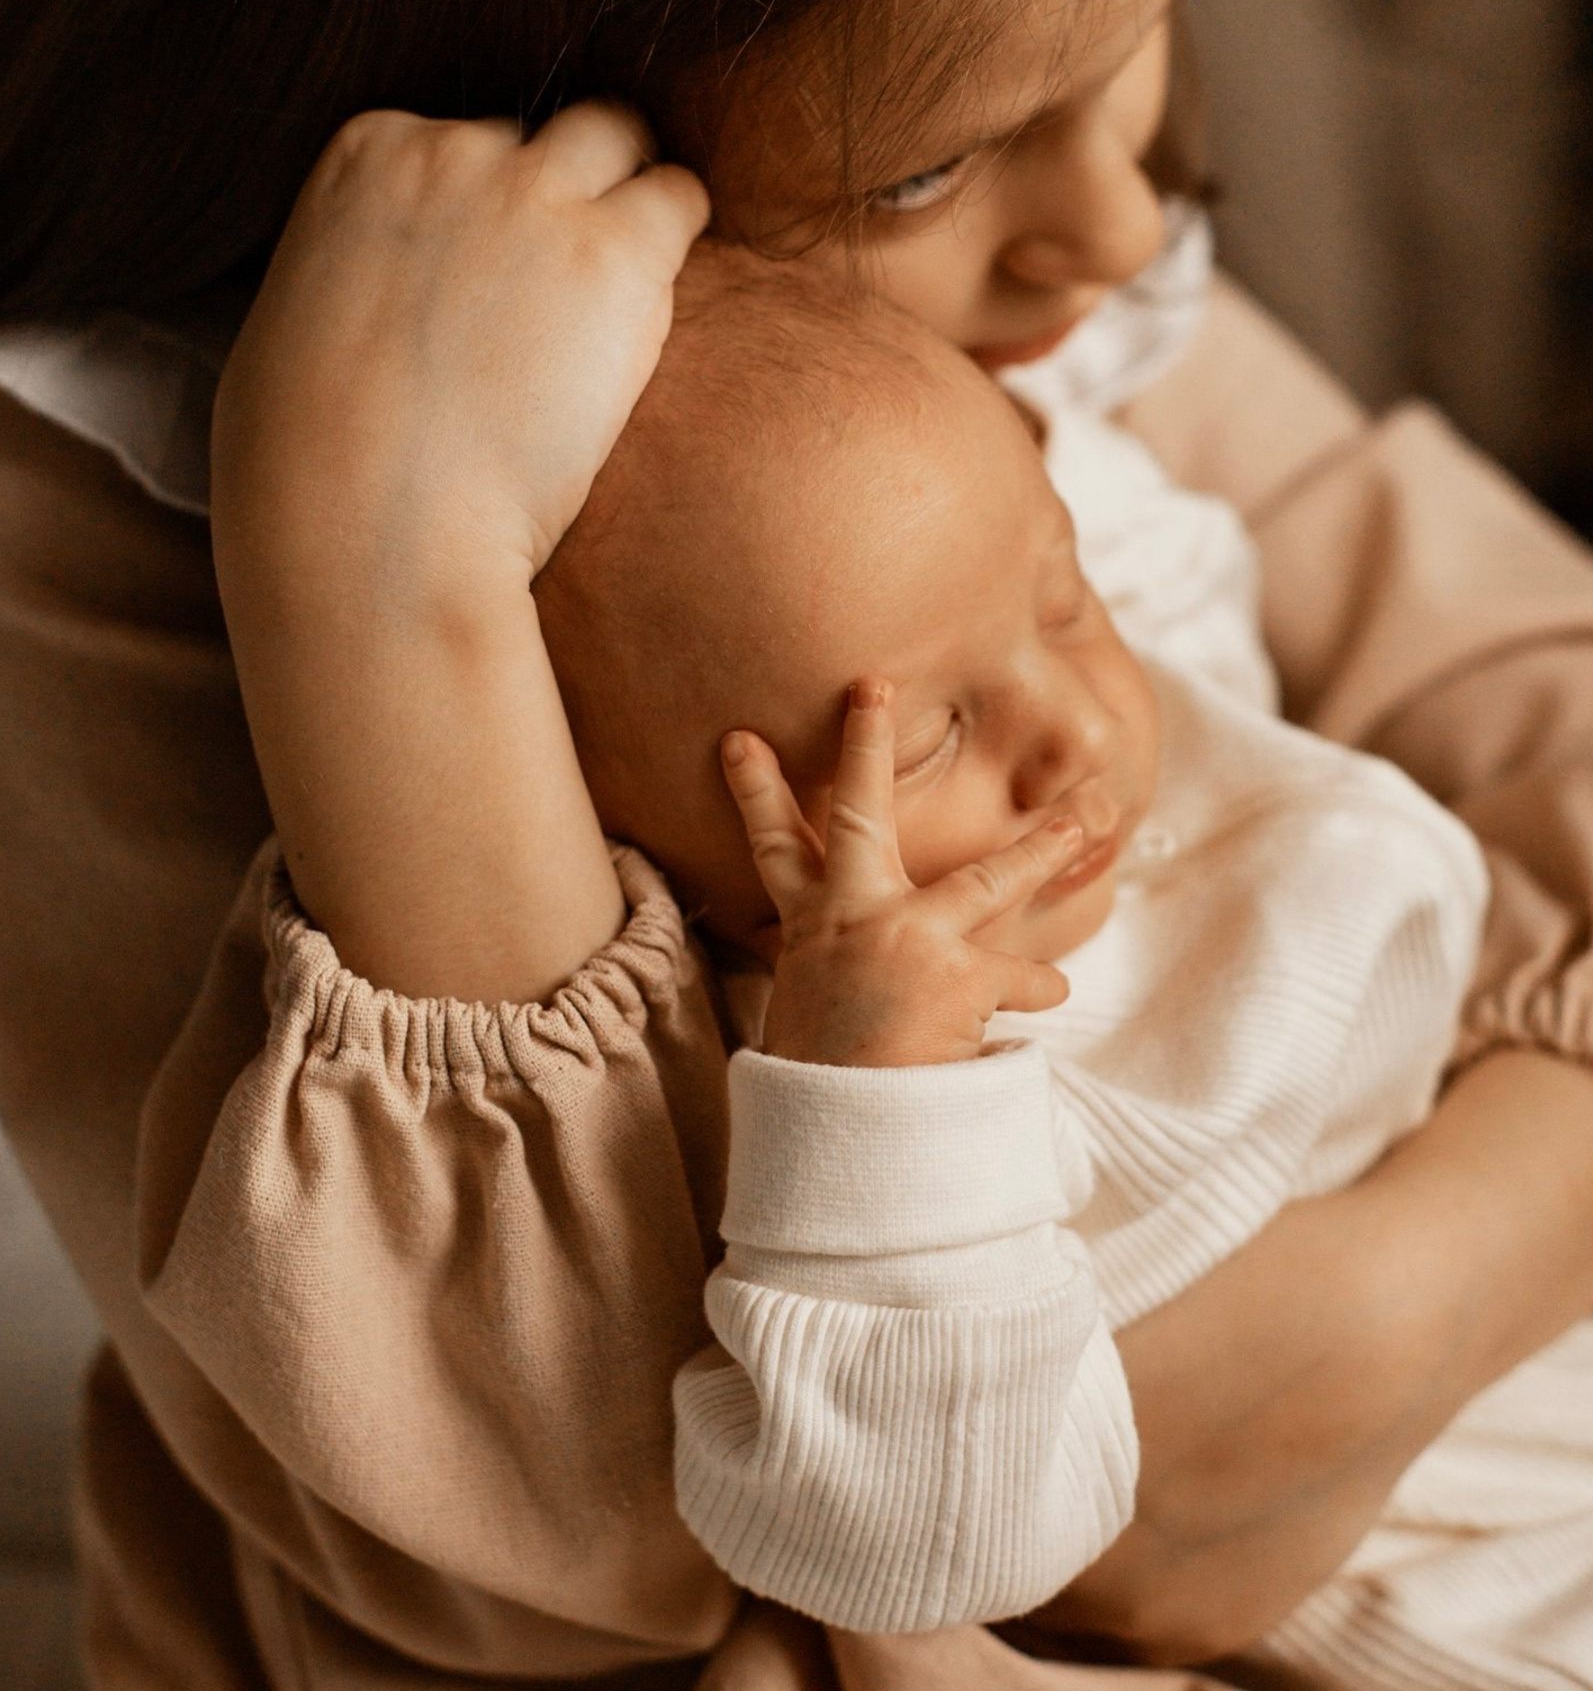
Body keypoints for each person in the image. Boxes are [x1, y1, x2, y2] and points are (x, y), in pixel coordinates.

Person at [0, 0, 1593, 1684]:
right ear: (507, 119)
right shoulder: (63, 502)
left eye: (1143, 20)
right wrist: (387, 599)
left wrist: (1402, 1301)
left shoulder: (1034, 280)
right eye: (923, 166)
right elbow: (567, 1552)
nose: (1116, 222)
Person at [527, 244, 1484, 1633]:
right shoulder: (852, 1103)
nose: (1080, 729)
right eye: (920, 745)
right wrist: (887, 1104)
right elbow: (919, 1554)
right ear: (677, 881)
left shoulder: (1076, 610)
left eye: (1064, 600)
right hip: (1370, 1569)